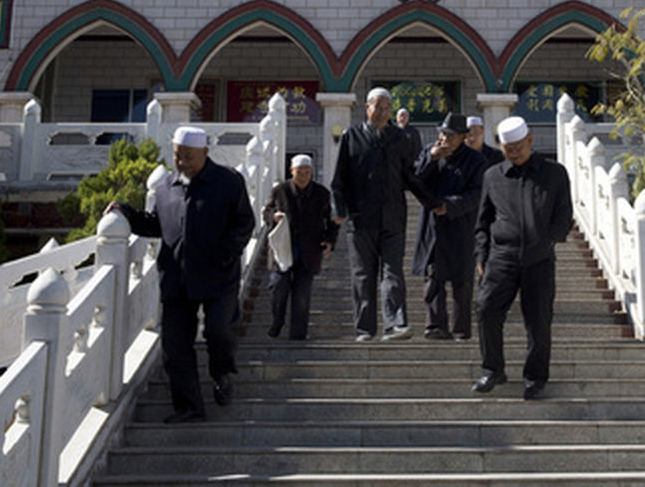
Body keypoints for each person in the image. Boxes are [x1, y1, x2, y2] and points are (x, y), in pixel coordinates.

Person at [109, 126, 255, 423]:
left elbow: (244, 223)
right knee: (175, 346)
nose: (183, 162)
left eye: (189, 157)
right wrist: (126, 212)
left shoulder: (228, 182)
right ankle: (189, 407)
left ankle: (222, 374)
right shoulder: (166, 186)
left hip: (219, 275)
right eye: (178, 156)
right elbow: (156, 225)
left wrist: (227, 251)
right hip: (178, 277)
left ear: (205, 153)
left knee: (218, 331)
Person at [472, 117, 573, 400]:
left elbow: (564, 215)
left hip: (539, 258)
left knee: (538, 320)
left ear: (530, 141)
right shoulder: (493, 176)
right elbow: (483, 221)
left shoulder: (554, 173)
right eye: (507, 148)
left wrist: (550, 239)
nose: (513, 153)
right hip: (501, 256)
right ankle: (493, 369)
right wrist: (482, 253)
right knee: (486, 309)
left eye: (518, 147)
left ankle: (535, 378)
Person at [332, 87, 441, 341]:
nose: (381, 112)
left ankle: (395, 324)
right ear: (367, 108)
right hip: (361, 218)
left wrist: (432, 201)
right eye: (377, 106)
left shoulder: (398, 138)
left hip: (393, 217)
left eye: (386, 108)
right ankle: (365, 329)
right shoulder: (351, 136)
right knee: (363, 275)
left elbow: (410, 177)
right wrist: (338, 210)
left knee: (393, 272)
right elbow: (339, 179)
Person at [411, 113, 486, 340]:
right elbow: (414, 180)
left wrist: (451, 206)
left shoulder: (475, 161)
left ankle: (461, 329)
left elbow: (478, 193)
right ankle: (435, 325)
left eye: (451, 136)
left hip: (460, 224)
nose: (445, 139)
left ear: (463, 137)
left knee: (462, 280)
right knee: (433, 277)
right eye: (442, 134)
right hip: (432, 225)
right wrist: (431, 159)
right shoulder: (429, 152)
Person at [262, 153, 338, 340]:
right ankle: (277, 321)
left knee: (302, 296)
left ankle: (298, 336)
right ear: (291, 171)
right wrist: (274, 217)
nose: (303, 175)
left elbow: (331, 221)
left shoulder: (322, 194)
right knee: (278, 287)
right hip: (282, 249)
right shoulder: (280, 190)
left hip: (309, 251)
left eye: (307, 171)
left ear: (312, 172)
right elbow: (267, 211)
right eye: (299, 171)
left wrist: (329, 241)